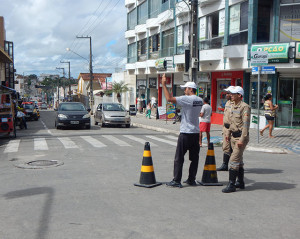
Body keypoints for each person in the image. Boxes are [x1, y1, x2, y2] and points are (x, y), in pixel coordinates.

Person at [162, 73, 203, 188]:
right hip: (195, 133)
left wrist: (164, 85)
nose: (184, 91)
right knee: (194, 159)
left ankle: (176, 180)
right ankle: (191, 179)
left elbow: (169, 99)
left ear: (190, 89)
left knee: (179, 158)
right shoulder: (199, 100)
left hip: (186, 133)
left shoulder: (187, 99)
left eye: (185, 89)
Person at [222, 86, 250, 193]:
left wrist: (242, 139)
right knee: (239, 161)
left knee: (233, 161)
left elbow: (246, 125)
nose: (231, 95)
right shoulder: (233, 105)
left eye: (234, 94)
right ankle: (241, 182)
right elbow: (232, 122)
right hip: (233, 135)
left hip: (240, 137)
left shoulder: (245, 107)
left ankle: (231, 184)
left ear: (239, 95)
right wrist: (228, 133)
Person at [217, 86, 234, 171]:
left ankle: (234, 165)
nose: (226, 94)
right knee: (226, 147)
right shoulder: (227, 103)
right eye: (226, 93)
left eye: (228, 93)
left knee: (233, 148)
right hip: (225, 128)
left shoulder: (235, 104)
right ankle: (225, 164)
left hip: (232, 129)